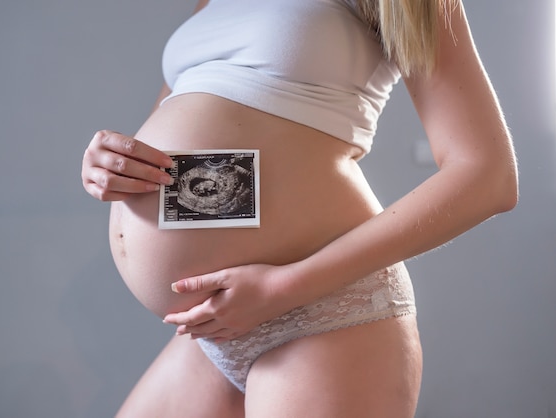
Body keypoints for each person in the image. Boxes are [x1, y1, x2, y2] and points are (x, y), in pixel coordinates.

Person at [81, 0, 518, 416]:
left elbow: (488, 174)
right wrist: (109, 165)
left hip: (321, 311)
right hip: (212, 326)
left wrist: (284, 287)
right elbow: (171, 123)